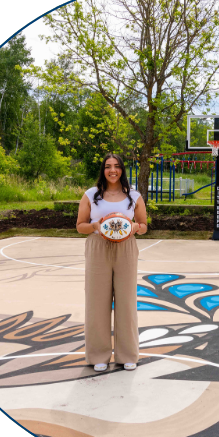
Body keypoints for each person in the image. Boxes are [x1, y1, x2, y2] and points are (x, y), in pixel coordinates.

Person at [76, 153, 147, 372]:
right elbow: (80, 225)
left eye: (116, 166)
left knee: (126, 301)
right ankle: (98, 355)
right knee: (97, 301)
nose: (112, 170)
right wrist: (96, 226)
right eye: (108, 166)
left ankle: (127, 354)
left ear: (122, 169)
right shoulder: (91, 195)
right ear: (103, 170)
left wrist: (135, 227)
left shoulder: (133, 196)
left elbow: (143, 225)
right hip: (98, 246)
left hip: (125, 246)